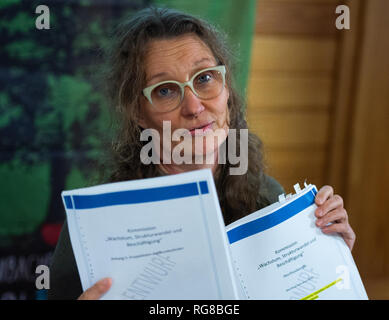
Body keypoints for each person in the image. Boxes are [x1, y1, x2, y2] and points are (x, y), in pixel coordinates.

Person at [48, 7, 356, 300]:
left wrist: (331, 259)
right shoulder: (95, 225)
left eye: (205, 78)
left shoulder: (266, 196)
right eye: (165, 90)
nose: (194, 107)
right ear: (138, 113)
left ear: (227, 94)